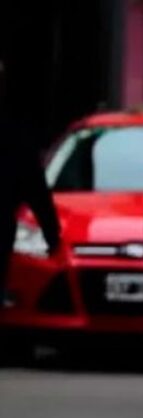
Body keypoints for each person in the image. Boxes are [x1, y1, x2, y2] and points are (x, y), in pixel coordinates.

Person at [0, 61, 61, 298]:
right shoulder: (15, 132)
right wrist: (52, 235)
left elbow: (36, 188)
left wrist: (51, 232)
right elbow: (36, 189)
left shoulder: (14, 133)